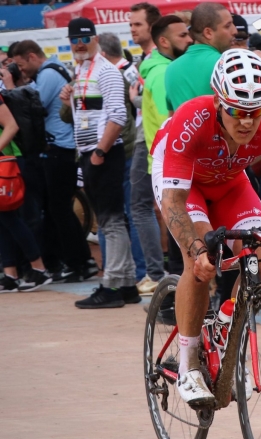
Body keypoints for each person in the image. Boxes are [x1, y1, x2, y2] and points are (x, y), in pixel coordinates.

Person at [151, 49, 261, 405]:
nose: (247, 122)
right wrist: (197, 250)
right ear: (217, 102)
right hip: (184, 187)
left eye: (255, 112)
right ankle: (187, 365)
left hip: (229, 182)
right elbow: (174, 203)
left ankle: (227, 330)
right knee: (198, 264)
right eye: (237, 112)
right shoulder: (192, 119)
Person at [59, 18, 140, 309]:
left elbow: (118, 116)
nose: (79, 44)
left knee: (110, 221)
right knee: (109, 219)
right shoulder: (80, 70)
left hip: (103, 152)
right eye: (74, 40)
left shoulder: (105, 71)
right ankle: (128, 285)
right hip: (92, 151)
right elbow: (83, 114)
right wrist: (67, 97)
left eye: (84, 39)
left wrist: (100, 153)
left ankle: (113, 286)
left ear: (94, 38)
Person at [9, 40, 95, 283]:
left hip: (60, 150)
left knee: (60, 210)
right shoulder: (51, 71)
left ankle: (81, 262)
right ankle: (70, 261)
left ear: (33, 56)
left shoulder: (48, 74)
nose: (21, 70)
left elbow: (32, 108)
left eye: (21, 64)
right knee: (56, 210)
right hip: (56, 150)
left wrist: (10, 86)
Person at [137, 15, 192, 296]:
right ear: (163, 41)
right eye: (182, 35)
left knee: (179, 236)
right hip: (169, 166)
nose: (190, 39)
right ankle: (175, 303)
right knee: (179, 237)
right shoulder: (161, 73)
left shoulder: (165, 69)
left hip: (167, 164)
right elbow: (167, 125)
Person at [98, 32, 146, 283]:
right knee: (128, 214)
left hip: (123, 150)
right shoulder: (129, 71)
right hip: (125, 148)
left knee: (124, 214)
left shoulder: (121, 73)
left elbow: (126, 115)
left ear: (102, 53)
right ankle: (131, 272)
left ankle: (128, 273)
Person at [127, 2, 164, 295]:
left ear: (152, 27)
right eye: (130, 24)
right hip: (148, 140)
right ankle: (160, 271)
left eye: (137, 24)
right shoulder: (148, 59)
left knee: (140, 206)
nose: (132, 29)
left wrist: (136, 99)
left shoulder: (157, 60)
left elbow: (160, 106)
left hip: (149, 141)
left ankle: (156, 272)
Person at [0, 92, 52, 293]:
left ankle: (39, 268)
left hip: (7, 163)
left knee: (10, 218)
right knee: (3, 219)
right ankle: (10, 273)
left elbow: (11, 126)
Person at [165, 3, 236, 114]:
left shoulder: (170, 69)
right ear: (208, 33)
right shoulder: (228, 63)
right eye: (227, 26)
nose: (234, 31)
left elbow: (171, 120)